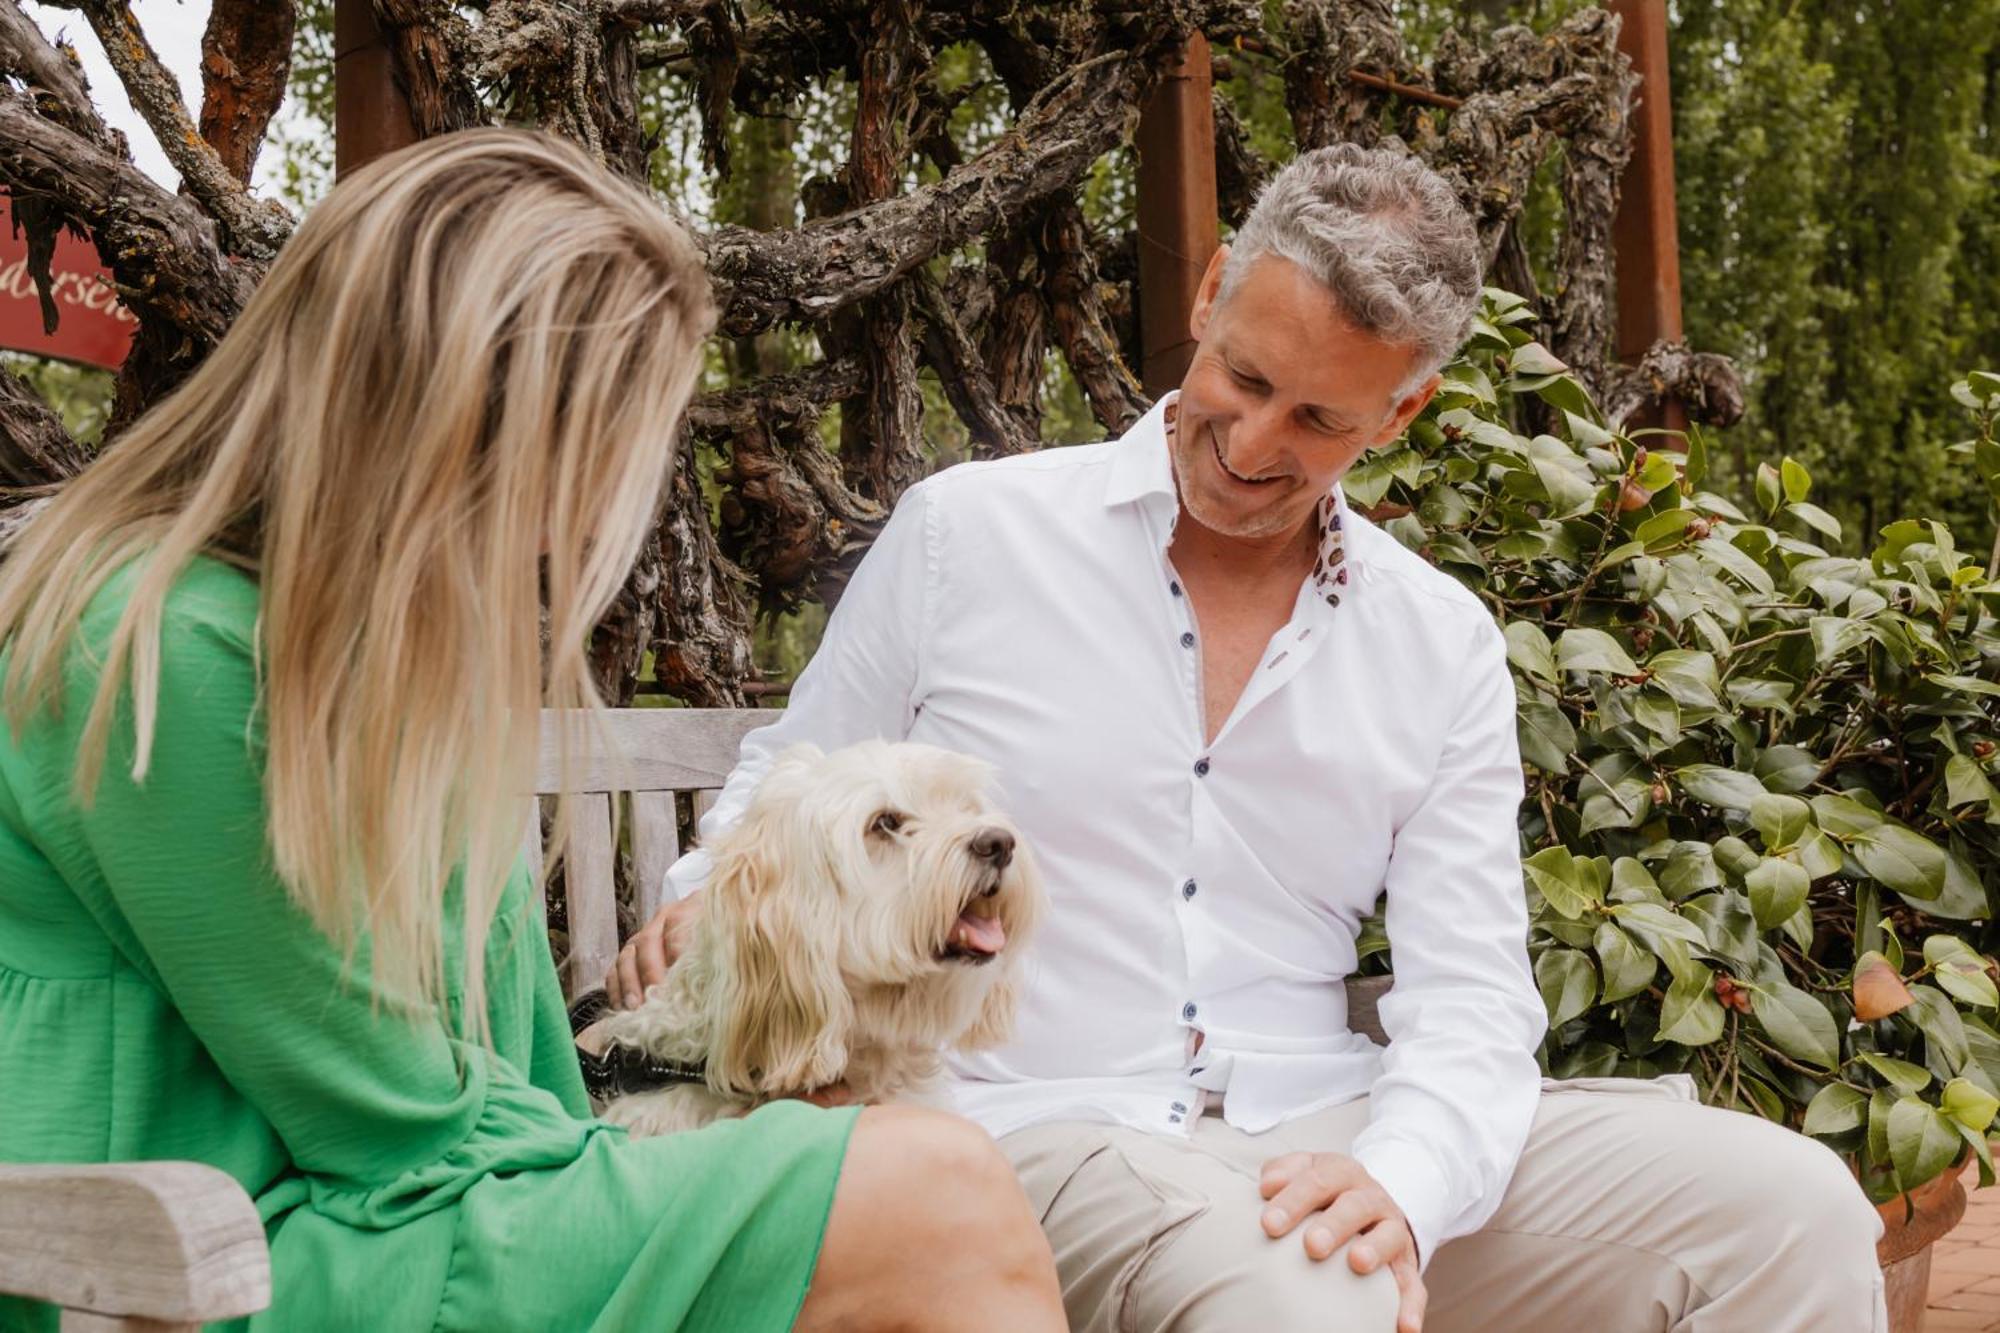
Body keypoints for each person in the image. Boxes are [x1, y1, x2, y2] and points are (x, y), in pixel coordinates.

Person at [609, 144, 1890, 1332]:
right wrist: (696, 913)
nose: (1251, 445)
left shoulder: (1436, 641)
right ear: (1213, 289)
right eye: (1245, 377)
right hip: (1035, 1128)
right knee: (1299, 1290)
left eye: (1321, 422)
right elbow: (793, 782)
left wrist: (1397, 1177)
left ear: (1400, 413)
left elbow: (1470, 999)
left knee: (1788, 1215)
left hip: (1320, 1112)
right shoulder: (967, 537)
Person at [0, 129, 1063, 1332]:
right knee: (933, 1191)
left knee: (890, 1170)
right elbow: (391, 1120)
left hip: (366, 1211)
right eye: (603, 445)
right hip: (184, 1262)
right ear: (458, 420)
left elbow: (491, 1090)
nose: (604, 504)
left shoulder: (357, 655)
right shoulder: (161, 651)